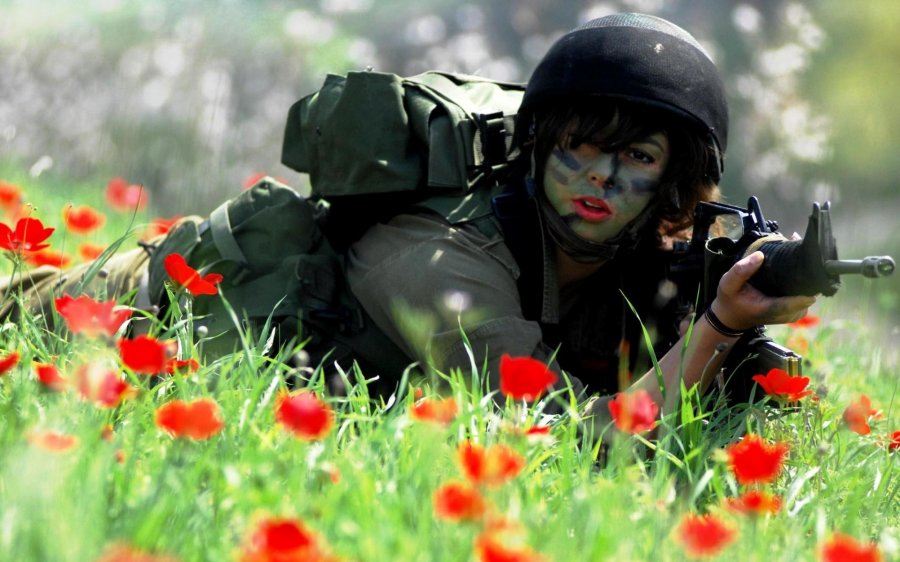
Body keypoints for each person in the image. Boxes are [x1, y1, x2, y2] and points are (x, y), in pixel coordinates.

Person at [1, 13, 815, 428]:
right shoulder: (442, 260)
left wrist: (740, 333)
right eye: (579, 147)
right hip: (119, 315)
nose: (600, 178)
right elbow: (578, 447)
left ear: (676, 182)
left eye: (636, 157)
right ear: (536, 148)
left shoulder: (640, 249)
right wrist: (715, 326)